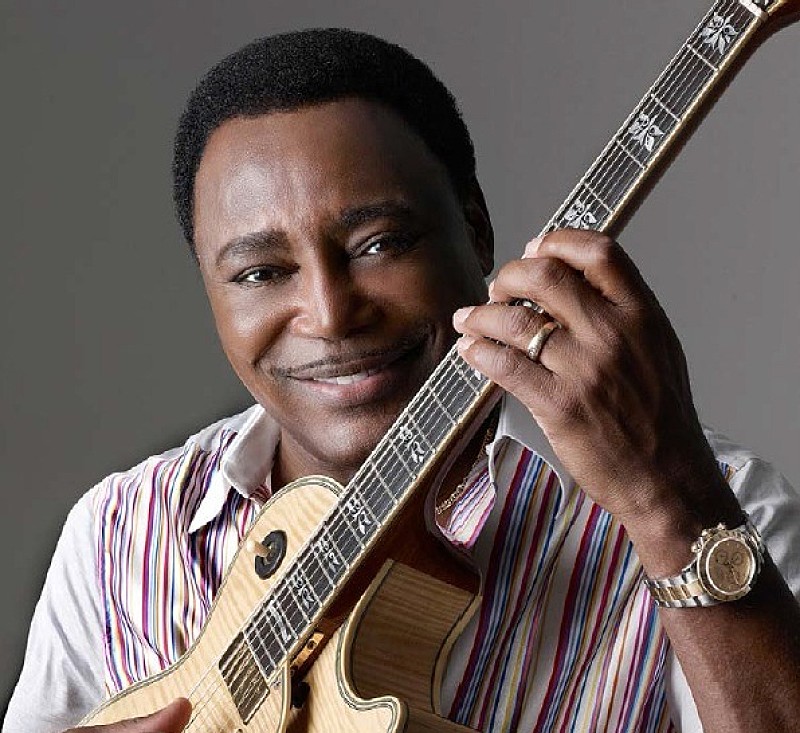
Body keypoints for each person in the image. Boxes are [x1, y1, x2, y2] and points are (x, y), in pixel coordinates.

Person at [4, 28, 800, 733]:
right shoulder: (119, 532)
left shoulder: (721, 507)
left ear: (476, 231)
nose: (329, 314)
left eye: (379, 244)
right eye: (260, 273)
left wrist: (666, 502)